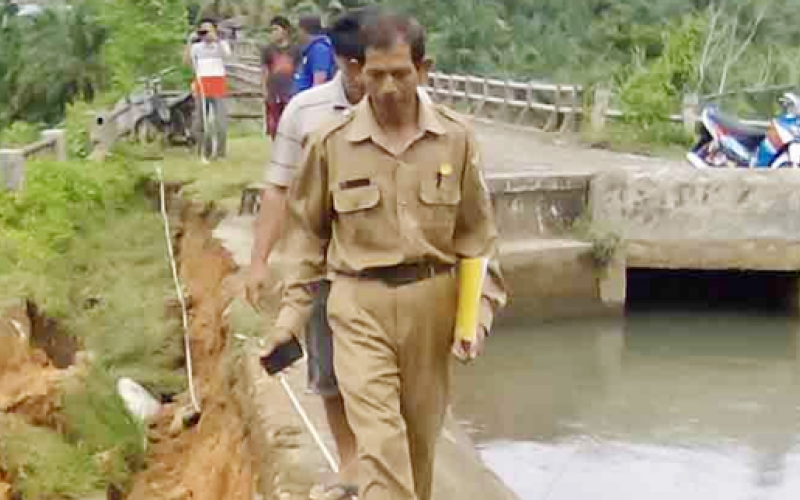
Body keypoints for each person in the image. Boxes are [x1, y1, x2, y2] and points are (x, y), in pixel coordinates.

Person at [261, 9, 507, 500]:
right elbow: (307, 235)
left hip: (431, 306)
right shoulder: (330, 144)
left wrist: (476, 315)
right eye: (375, 75)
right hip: (357, 306)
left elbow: (477, 237)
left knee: (419, 451)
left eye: (400, 73)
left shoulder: (456, 140)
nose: (388, 87)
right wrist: (290, 318)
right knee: (379, 446)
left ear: (423, 70)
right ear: (357, 71)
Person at [248, 8, 376, 498]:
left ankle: (384, 463)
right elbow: (278, 189)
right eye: (360, 66)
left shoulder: (412, 108)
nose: (373, 80)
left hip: (389, 266)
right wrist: (260, 261)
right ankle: (349, 462)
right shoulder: (307, 111)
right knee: (328, 367)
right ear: (342, 61)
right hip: (324, 260)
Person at [184, 17, 231, 159]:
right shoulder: (196, 48)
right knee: (201, 121)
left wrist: (216, 40)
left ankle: (221, 153)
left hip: (218, 85)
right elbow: (187, 62)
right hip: (202, 85)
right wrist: (189, 41)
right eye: (203, 30)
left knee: (220, 122)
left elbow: (227, 56)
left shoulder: (221, 44)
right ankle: (205, 151)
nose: (206, 33)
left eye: (208, 29)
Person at [261, 15, 299, 139]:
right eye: (271, 30)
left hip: (290, 92)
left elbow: (299, 71)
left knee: (290, 123)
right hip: (273, 92)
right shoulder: (268, 50)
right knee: (274, 124)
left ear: (285, 30)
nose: (273, 33)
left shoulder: (296, 50)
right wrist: (264, 91)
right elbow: (265, 71)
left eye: (276, 29)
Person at [293, 14, 337, 93]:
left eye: (298, 30)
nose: (297, 34)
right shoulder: (309, 49)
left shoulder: (319, 49)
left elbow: (319, 80)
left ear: (303, 30)